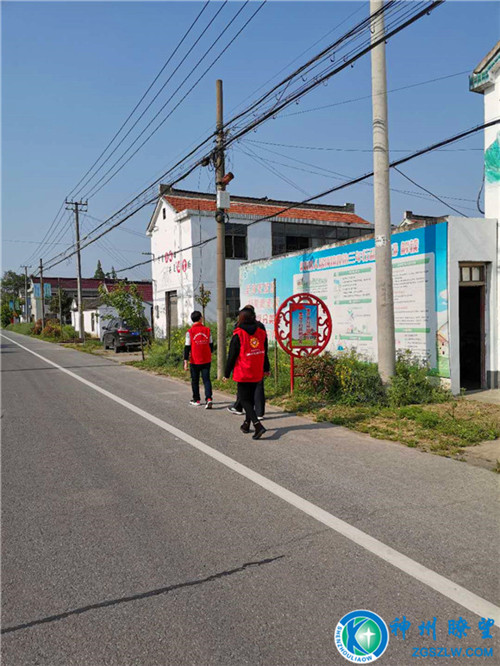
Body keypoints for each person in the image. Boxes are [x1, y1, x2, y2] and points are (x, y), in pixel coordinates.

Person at [224, 308, 270, 440]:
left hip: (244, 371)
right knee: (249, 399)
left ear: (241, 318)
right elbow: (264, 351)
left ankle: (257, 425)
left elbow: (232, 356)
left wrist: (226, 374)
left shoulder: (238, 334)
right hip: (257, 370)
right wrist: (266, 368)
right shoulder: (261, 332)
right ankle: (246, 424)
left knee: (244, 400)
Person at [184, 311, 213, 409]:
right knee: (206, 380)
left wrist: (185, 361)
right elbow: (211, 344)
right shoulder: (208, 330)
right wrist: (210, 354)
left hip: (195, 360)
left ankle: (196, 399)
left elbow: (187, 347)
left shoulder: (189, 332)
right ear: (200, 318)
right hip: (206, 359)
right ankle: (209, 399)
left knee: (195, 380)